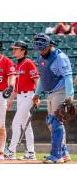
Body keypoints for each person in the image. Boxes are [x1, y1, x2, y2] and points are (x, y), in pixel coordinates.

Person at [32, 33, 74, 164]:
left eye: (43, 48)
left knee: (55, 122)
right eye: (39, 48)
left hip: (60, 92)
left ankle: (56, 155)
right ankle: (64, 152)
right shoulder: (40, 58)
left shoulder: (60, 57)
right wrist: (37, 94)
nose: (41, 51)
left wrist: (69, 97)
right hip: (50, 93)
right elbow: (42, 78)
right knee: (52, 123)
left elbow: (68, 77)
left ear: (50, 45)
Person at [4, 41, 39, 160]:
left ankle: (11, 151)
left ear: (23, 51)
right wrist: (10, 100)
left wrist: (37, 96)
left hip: (29, 96)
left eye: (16, 49)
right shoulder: (16, 66)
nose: (13, 51)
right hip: (20, 96)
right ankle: (31, 152)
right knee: (26, 126)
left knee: (16, 123)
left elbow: (36, 80)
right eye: (13, 49)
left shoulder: (28, 63)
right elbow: (15, 88)